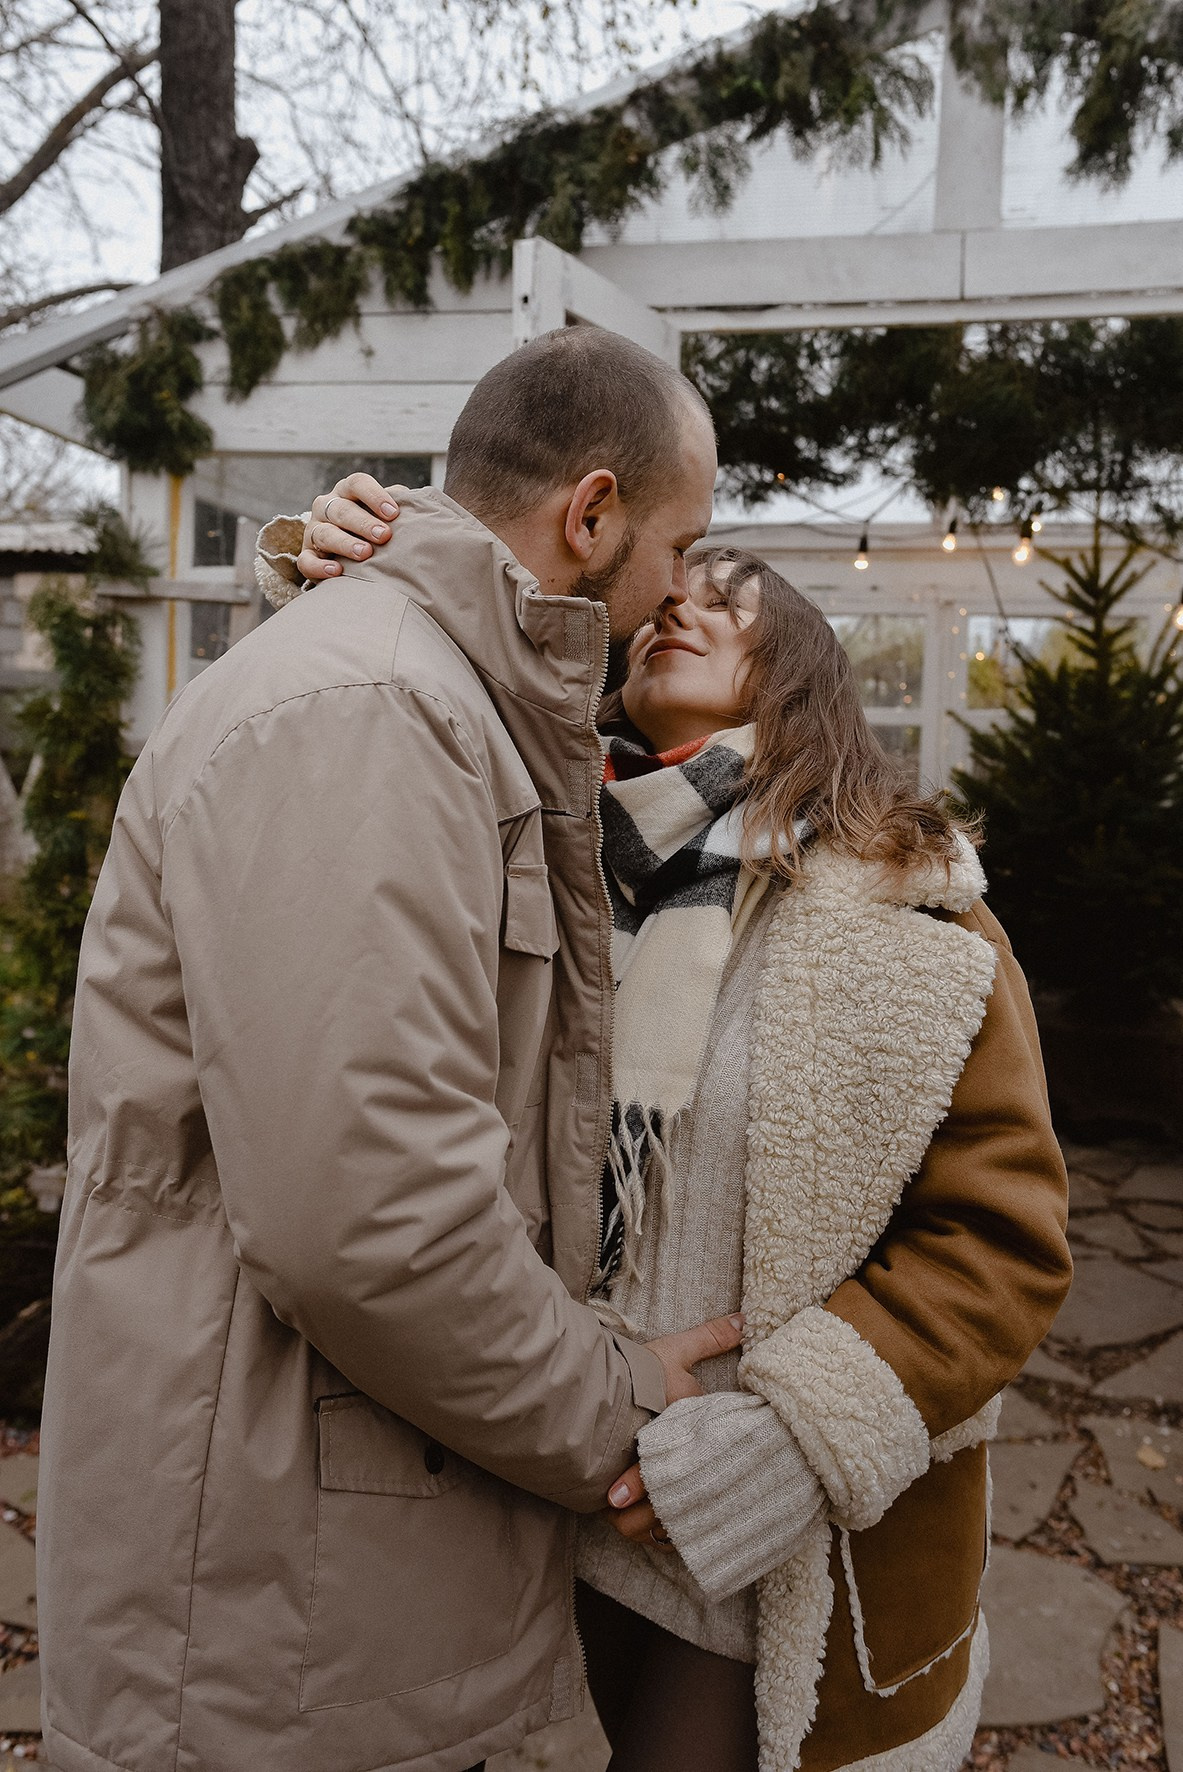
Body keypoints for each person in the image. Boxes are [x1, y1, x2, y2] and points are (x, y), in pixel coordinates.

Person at [36, 326, 748, 1772]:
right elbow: (367, 1222)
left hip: (331, 1576)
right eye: (681, 540)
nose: (681, 587)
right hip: (278, 1608)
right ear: (592, 511)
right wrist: (622, 1403)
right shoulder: (373, 713)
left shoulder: (439, 701)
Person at [299, 500, 1072, 1772]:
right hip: (537, 1475)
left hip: (746, 1525)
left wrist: (798, 1435)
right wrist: (349, 555)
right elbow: (388, 718)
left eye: (732, 598)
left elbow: (1005, 1244)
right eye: (670, 591)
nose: (683, 608)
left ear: (805, 667)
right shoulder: (533, 852)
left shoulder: (914, 913)